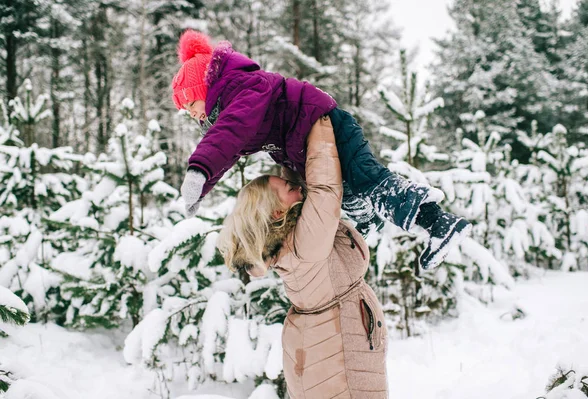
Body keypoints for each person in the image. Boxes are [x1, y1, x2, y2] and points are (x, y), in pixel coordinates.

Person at [173, 29, 470, 270]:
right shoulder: (232, 104)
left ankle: (437, 222)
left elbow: (230, 132)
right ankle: (368, 221)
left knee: (369, 180)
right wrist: (203, 185)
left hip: (329, 127)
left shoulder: (244, 88)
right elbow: (230, 146)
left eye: (190, 103)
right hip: (308, 142)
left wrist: (199, 168)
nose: (191, 113)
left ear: (204, 88)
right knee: (348, 192)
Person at [217, 116, 388, 398]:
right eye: (286, 188)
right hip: (337, 344)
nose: (293, 185)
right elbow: (325, 190)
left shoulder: (288, 235)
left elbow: (300, 183)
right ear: (276, 212)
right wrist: (318, 121)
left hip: (324, 340)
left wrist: (291, 129)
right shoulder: (306, 243)